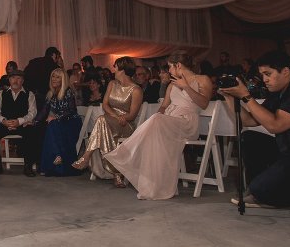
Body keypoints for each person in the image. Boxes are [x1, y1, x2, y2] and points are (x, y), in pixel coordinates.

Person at [105, 52, 211, 200]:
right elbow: (163, 106)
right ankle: (153, 187)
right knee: (156, 123)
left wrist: (186, 87)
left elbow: (204, 104)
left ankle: (128, 151)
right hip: (169, 122)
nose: (169, 71)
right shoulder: (172, 85)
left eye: (170, 67)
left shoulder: (202, 79)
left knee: (156, 121)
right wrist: (161, 114)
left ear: (178, 65)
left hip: (187, 123)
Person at [221, 50, 290, 208]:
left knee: (259, 188)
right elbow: (249, 121)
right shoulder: (277, 93)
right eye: (262, 75)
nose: (265, 80)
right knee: (249, 138)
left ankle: (265, 193)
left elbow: (275, 125)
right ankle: (260, 194)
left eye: (268, 74)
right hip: (286, 154)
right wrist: (230, 97)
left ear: (286, 71)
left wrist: (246, 96)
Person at [72, 57, 143, 188]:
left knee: (101, 121)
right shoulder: (112, 84)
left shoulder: (136, 90)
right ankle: (117, 174)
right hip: (111, 119)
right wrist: (116, 116)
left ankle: (86, 156)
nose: (113, 70)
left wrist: (121, 118)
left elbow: (132, 115)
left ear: (122, 70)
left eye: (115, 67)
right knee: (103, 123)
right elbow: (105, 105)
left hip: (126, 125)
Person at [0, 70, 38, 176]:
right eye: (13, 78)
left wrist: (20, 121)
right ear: (9, 80)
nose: (16, 81)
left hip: (21, 124)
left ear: (22, 81)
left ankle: (28, 166)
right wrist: (4, 121)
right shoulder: (1, 94)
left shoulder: (29, 94)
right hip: (5, 124)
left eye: (19, 78)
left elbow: (33, 112)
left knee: (32, 132)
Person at [38, 68, 83, 176]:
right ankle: (57, 156)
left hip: (71, 122)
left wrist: (56, 117)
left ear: (63, 79)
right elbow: (44, 110)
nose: (54, 79)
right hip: (59, 123)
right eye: (53, 76)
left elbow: (71, 111)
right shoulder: (50, 93)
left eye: (58, 77)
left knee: (52, 125)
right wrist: (34, 121)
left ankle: (54, 158)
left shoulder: (68, 91)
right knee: (50, 126)